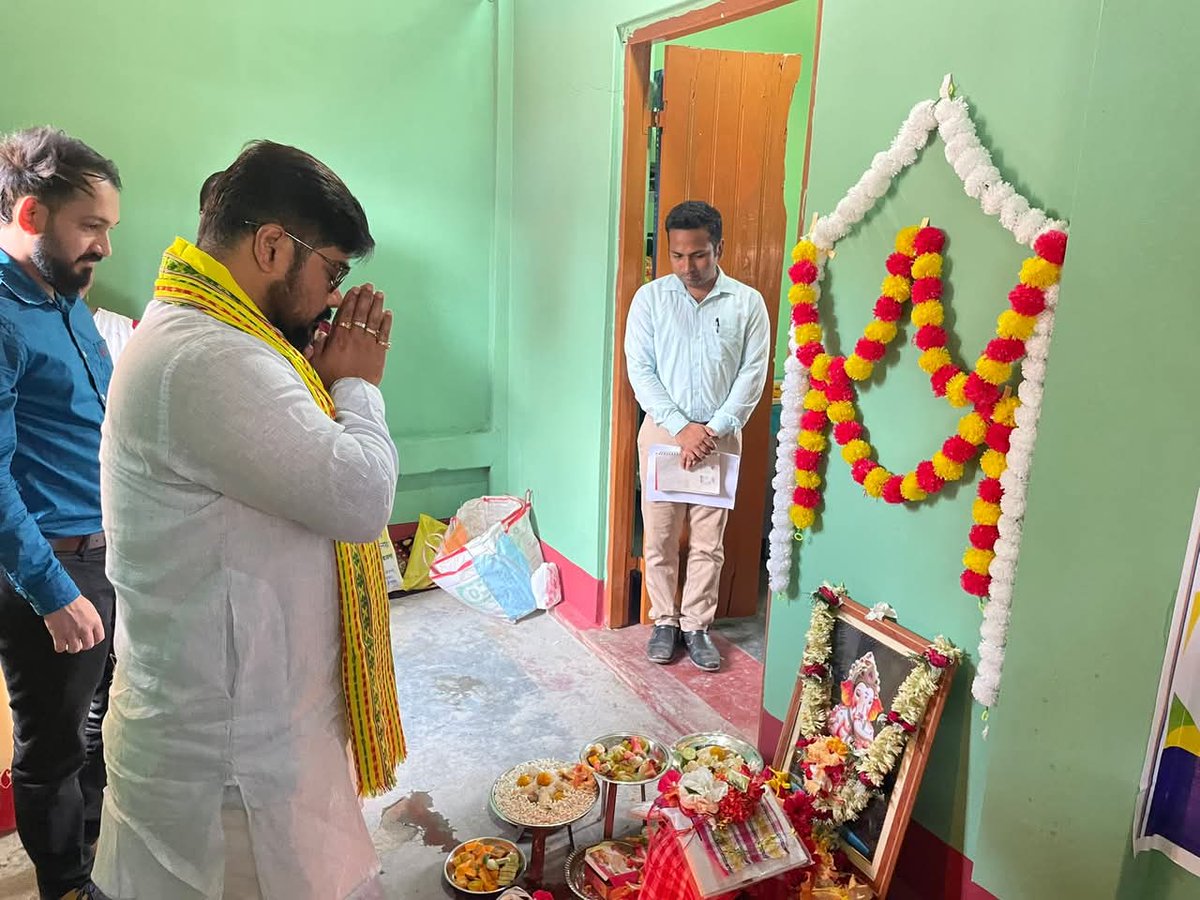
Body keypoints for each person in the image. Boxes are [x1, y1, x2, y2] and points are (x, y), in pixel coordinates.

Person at [93, 141, 404, 899]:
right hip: (227, 763)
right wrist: (356, 385)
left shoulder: (218, 338)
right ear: (271, 247)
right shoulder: (208, 357)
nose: (333, 299)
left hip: (250, 726)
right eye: (332, 271)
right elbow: (360, 497)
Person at [0, 126, 121, 900]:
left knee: (96, 723)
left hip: (103, 551)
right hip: (49, 564)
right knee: (52, 749)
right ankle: (68, 887)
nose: (104, 245)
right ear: (32, 215)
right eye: (92, 226)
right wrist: (52, 593)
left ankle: (96, 854)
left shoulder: (65, 299)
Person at [624, 200, 770, 672]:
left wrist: (713, 428)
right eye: (678, 255)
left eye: (699, 255)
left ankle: (697, 626)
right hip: (664, 432)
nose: (688, 266)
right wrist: (682, 428)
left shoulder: (747, 303)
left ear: (719, 247)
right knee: (660, 536)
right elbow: (640, 369)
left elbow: (752, 374)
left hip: (719, 436)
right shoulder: (650, 299)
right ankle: (664, 621)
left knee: (709, 541)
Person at [829, 653, 884, 751]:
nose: (863, 706)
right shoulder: (842, 713)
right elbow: (832, 730)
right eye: (858, 694)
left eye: (869, 702)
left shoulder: (868, 728)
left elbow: (868, 748)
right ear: (851, 692)